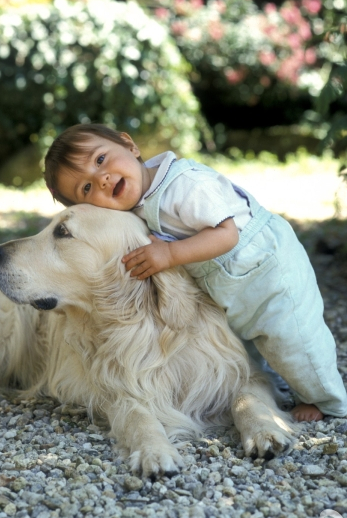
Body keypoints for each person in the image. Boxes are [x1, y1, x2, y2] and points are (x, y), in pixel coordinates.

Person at [44, 123, 347, 422]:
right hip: (228, 284)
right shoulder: (140, 204)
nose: (102, 179)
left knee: (293, 338)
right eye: (86, 188)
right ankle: (271, 383)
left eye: (100, 160)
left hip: (266, 270)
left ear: (130, 145)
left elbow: (227, 235)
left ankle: (326, 399)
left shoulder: (185, 184)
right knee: (246, 346)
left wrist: (170, 254)